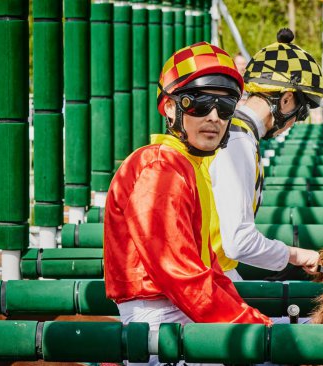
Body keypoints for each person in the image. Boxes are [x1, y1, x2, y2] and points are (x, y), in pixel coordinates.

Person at [104, 42, 271, 364]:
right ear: (169, 108)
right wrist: (251, 326)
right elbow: (179, 274)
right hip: (158, 327)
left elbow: (209, 268)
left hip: (180, 315)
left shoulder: (188, 166)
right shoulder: (160, 170)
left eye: (225, 108)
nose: (213, 117)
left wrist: (253, 319)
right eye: (198, 103)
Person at [205, 28, 323, 281]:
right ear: (286, 100)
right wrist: (297, 255)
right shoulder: (238, 141)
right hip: (208, 277)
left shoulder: (239, 133)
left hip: (213, 270)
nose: (295, 122)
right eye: (300, 114)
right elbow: (238, 242)